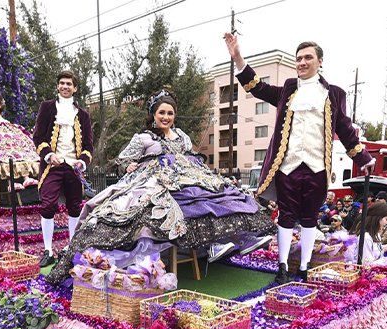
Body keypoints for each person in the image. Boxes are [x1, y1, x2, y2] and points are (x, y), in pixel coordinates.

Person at [46, 89, 274, 283]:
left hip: (189, 179)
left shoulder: (182, 136)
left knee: (217, 200)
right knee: (148, 211)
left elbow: (191, 155)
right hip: (154, 181)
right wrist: (129, 165)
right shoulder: (142, 138)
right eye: (162, 113)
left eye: (170, 113)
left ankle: (221, 243)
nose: (166, 117)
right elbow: (123, 159)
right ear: (153, 115)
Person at [224, 34, 374, 284]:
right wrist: (238, 57)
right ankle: (282, 268)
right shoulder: (288, 90)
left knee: (309, 219)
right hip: (287, 166)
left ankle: (304, 268)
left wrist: (364, 158)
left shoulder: (334, 94)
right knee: (285, 216)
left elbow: (345, 127)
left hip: (316, 167)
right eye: (298, 59)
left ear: (320, 61)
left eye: (308, 57)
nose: (302, 62)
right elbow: (257, 87)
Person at [32, 71, 94, 268]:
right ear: (58, 86)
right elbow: (39, 137)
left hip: (73, 167)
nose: (65, 86)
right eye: (62, 83)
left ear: (75, 88)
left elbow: (88, 146)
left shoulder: (83, 115)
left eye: (69, 84)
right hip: (52, 166)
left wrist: (82, 162)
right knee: (48, 204)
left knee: (75, 206)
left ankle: (71, 248)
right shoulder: (47, 107)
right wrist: (50, 155)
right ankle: (48, 250)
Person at [344, 202, 387, 266]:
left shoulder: (376, 236)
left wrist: (384, 248)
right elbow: (367, 266)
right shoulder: (366, 238)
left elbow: (374, 254)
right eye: (386, 219)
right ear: (377, 219)